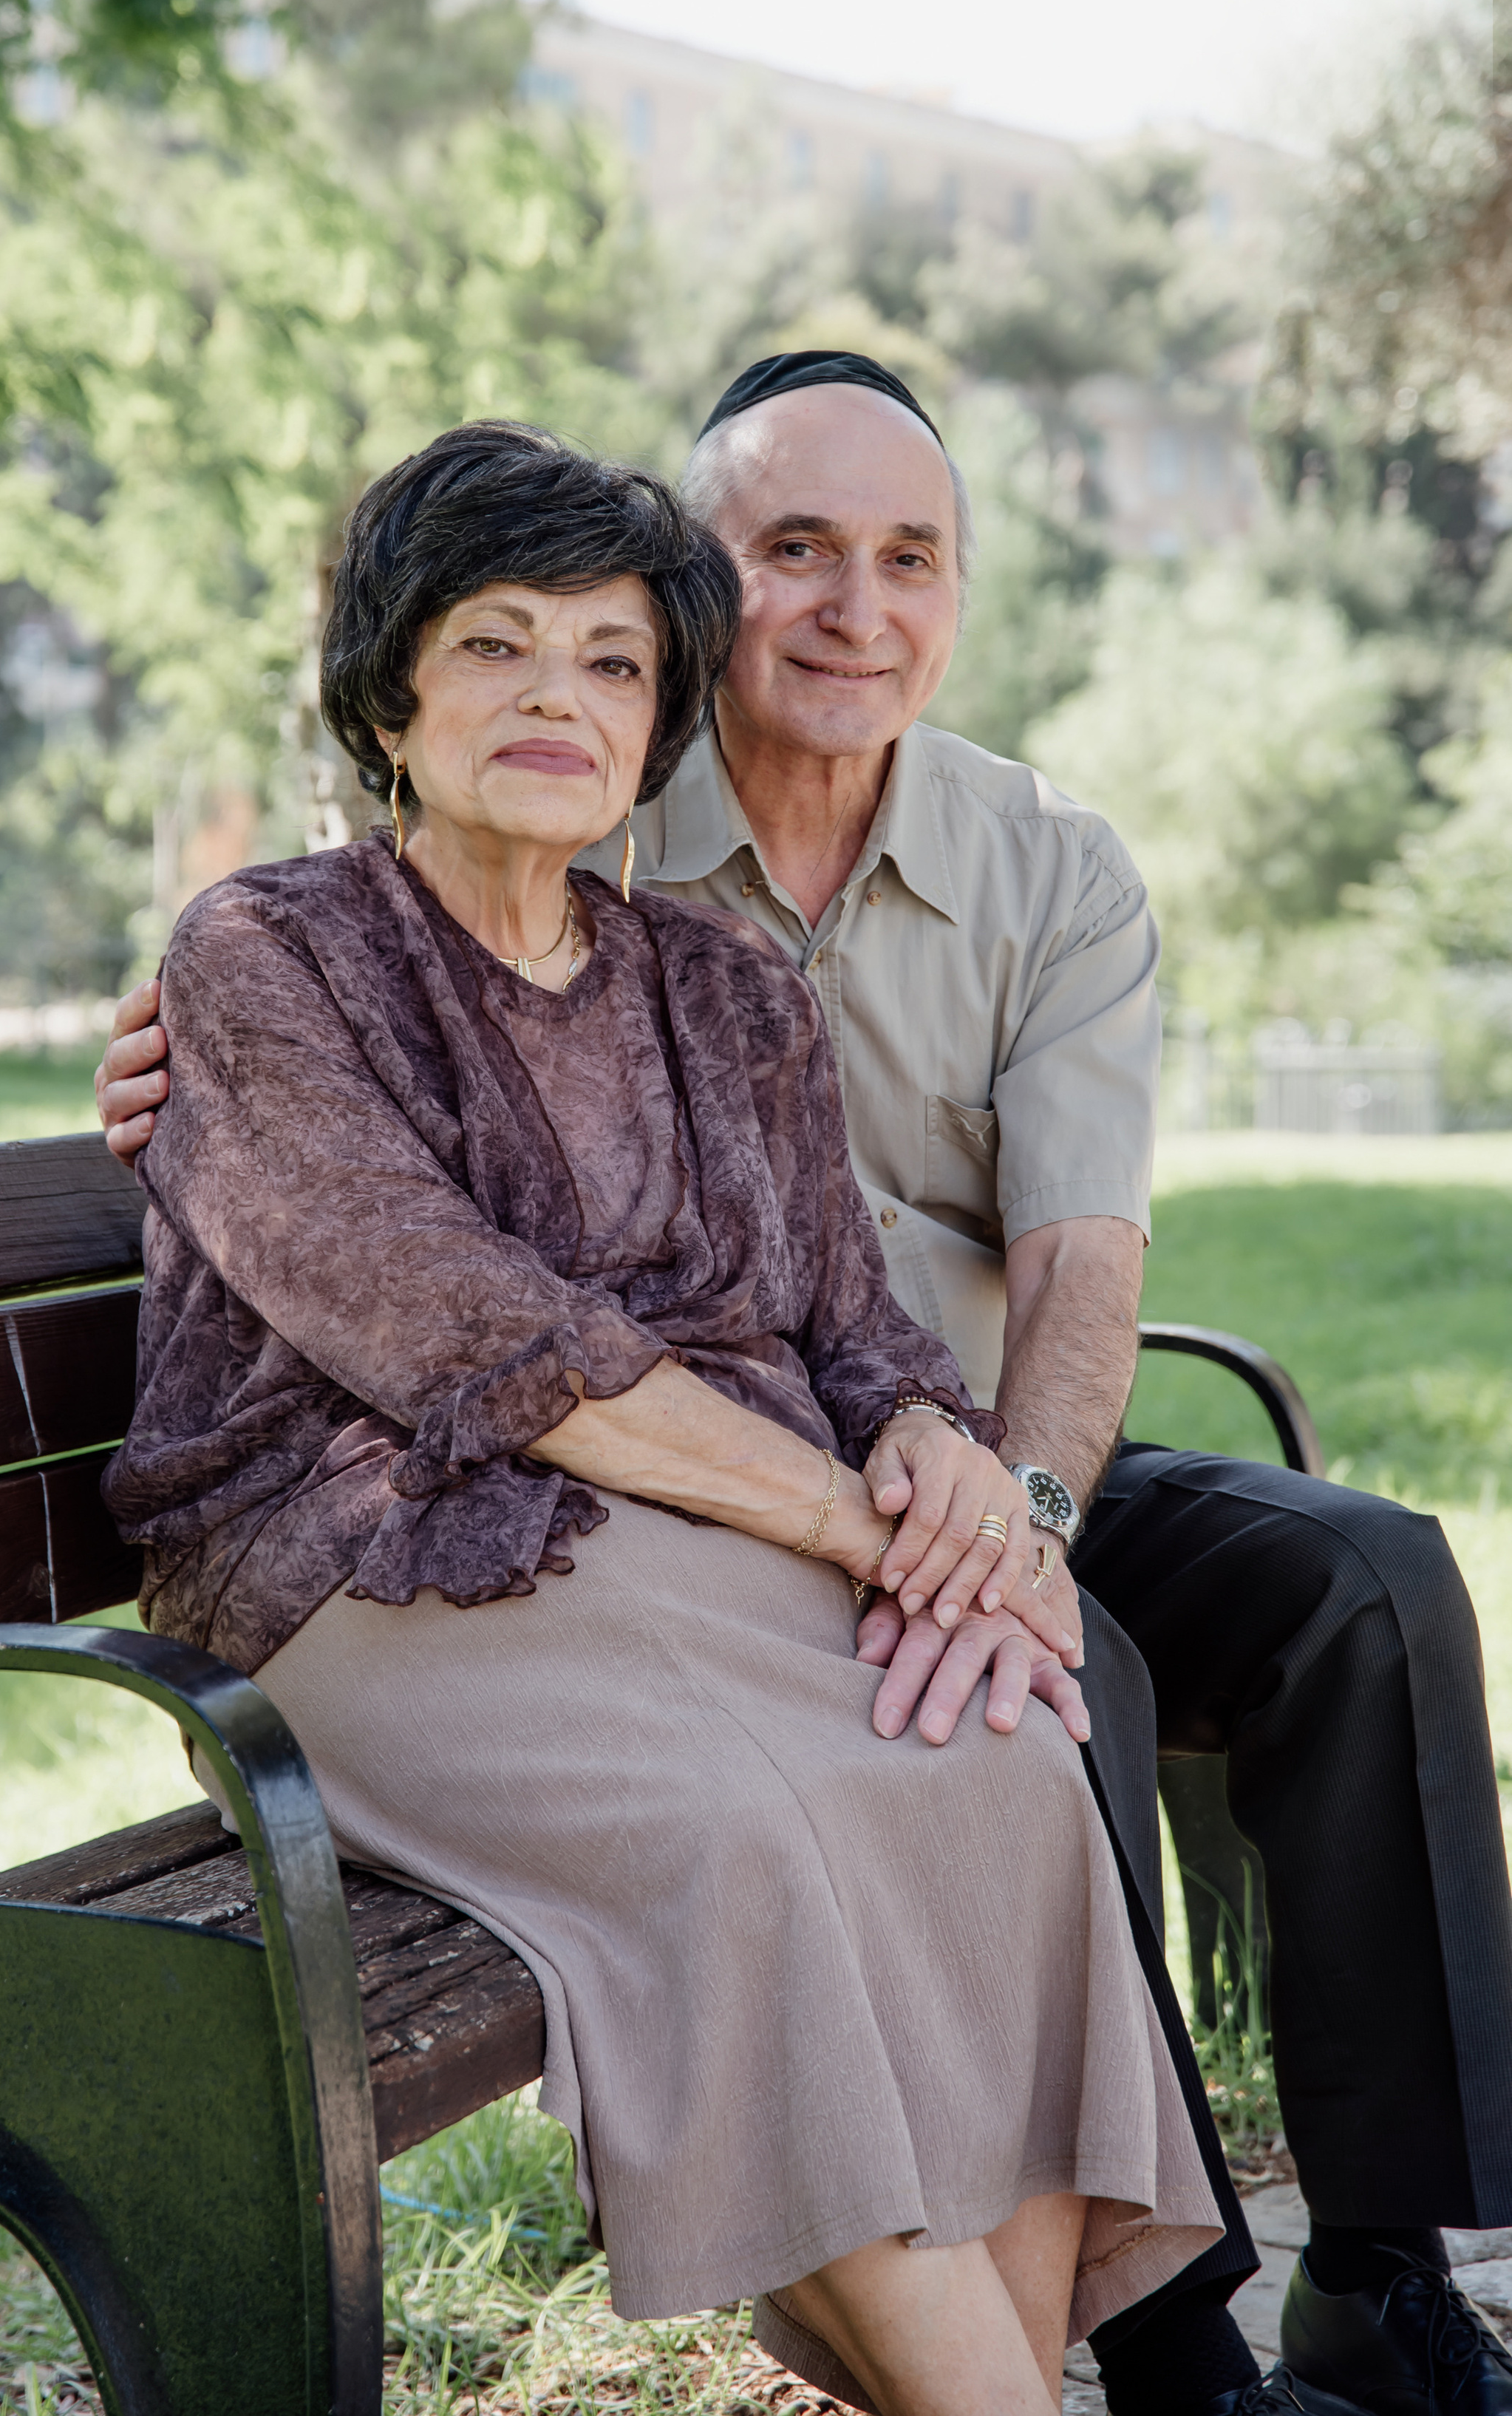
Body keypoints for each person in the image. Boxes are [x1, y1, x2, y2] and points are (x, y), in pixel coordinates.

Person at [101, 356, 1512, 2416]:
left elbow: (990, 1290)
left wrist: (987, 1497)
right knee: (898, 1761)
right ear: (391, 693)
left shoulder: (914, 907)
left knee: (1180, 1666)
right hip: (505, 1532)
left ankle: (1337, 2290)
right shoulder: (402, 886)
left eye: (601, 652)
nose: (554, 690)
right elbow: (446, 1279)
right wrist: (890, 1519)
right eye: (491, 644)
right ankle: (1105, 2368)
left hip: (871, 1483)